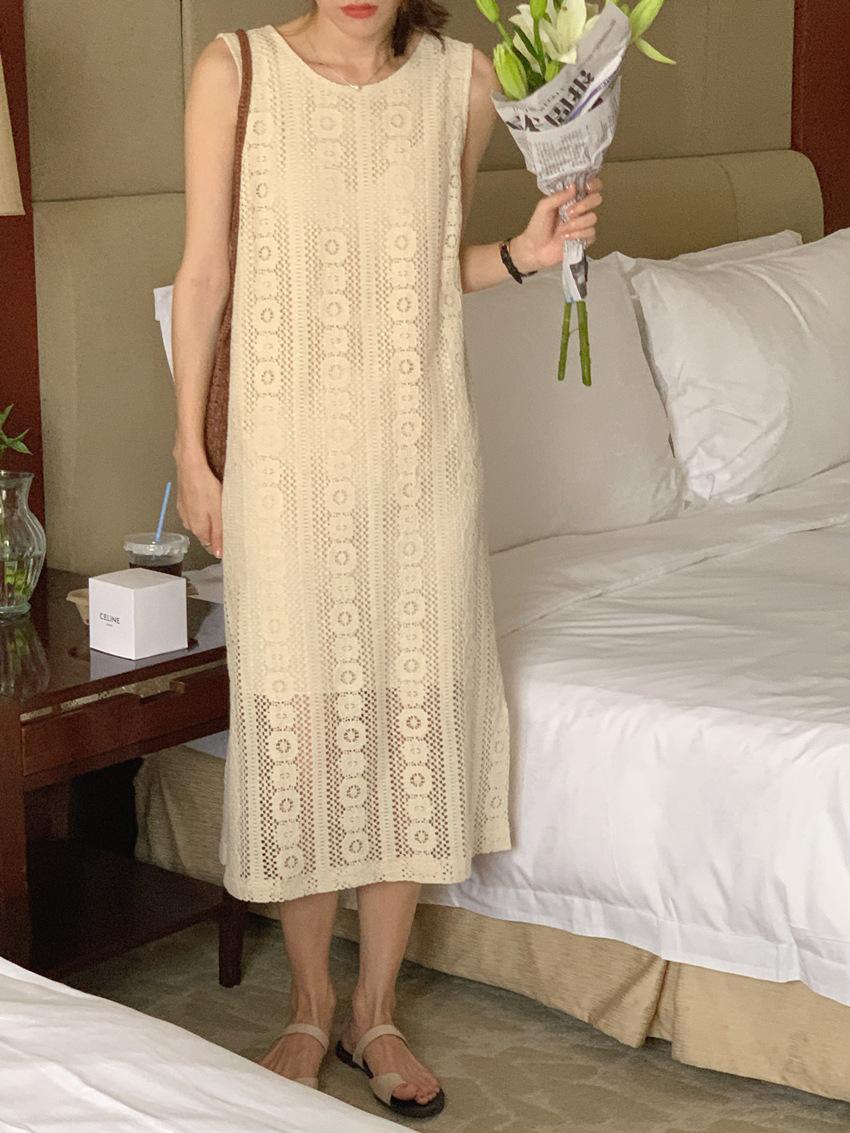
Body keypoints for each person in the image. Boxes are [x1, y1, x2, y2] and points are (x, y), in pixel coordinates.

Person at [173, 0, 602, 1118]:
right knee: (306, 715)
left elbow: (422, 266)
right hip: (284, 461)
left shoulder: (464, 82)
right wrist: (191, 453)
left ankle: (374, 1010)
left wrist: (524, 254)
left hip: (419, 457)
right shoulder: (236, 71)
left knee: (409, 709)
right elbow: (206, 274)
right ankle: (308, 1002)